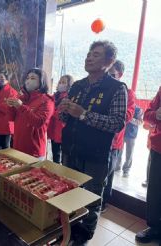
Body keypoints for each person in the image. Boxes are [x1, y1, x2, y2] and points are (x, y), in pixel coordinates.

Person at [59, 41, 127, 245]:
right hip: (70, 150)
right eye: (89, 53)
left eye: (96, 55)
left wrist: (84, 115)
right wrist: (63, 110)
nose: (89, 57)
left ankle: (83, 238)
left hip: (95, 156)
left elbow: (117, 123)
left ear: (109, 61)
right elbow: (64, 119)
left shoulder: (116, 88)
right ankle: (67, 231)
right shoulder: (78, 85)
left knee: (91, 198)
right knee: (68, 193)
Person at [101, 60, 135, 212]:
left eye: (112, 74)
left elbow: (127, 115)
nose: (108, 76)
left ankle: (103, 203)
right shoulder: (101, 87)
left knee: (107, 174)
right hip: (97, 139)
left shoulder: (127, 92)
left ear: (119, 75)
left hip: (114, 141)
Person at [6, 68, 54, 159]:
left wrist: (21, 107)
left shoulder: (47, 101)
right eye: (27, 78)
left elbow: (38, 122)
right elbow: (11, 118)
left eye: (33, 78)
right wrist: (10, 106)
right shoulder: (23, 98)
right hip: (18, 147)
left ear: (41, 82)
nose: (28, 81)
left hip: (34, 150)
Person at [136, 87, 161, 244]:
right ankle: (155, 227)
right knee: (155, 189)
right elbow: (147, 114)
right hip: (159, 147)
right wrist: (157, 115)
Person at [47, 74, 74, 163]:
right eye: (60, 82)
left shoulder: (69, 97)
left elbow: (61, 113)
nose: (61, 84)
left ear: (69, 85)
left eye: (64, 82)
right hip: (53, 128)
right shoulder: (54, 96)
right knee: (55, 153)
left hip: (62, 129)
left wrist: (50, 111)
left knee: (64, 156)